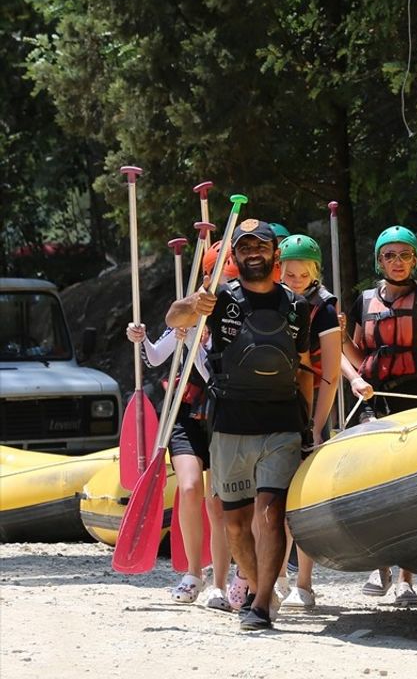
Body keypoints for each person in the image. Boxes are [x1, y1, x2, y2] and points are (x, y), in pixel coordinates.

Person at [166, 218, 313, 630]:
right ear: (235, 256)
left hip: (281, 423)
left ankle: (263, 602)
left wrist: (308, 420)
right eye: (245, 247)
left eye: (261, 246)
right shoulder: (219, 299)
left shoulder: (296, 305)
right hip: (230, 423)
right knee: (234, 524)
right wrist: (193, 303)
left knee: (269, 513)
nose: (253, 253)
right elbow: (173, 319)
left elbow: (301, 366)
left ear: (274, 253)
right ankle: (250, 584)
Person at [341, 225, 417, 607]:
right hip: (378, 398)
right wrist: (352, 369)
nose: (397, 262)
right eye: (389, 255)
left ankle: (405, 576)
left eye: (404, 255)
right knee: (373, 477)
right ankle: (380, 564)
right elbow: (358, 356)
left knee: (410, 483)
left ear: (414, 260)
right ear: (379, 260)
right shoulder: (363, 302)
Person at [124, 321, 233, 610]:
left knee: (217, 503)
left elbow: (216, 373)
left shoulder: (232, 318)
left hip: (223, 416)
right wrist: (141, 337)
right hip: (186, 417)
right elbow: (156, 356)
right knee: (188, 488)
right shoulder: (187, 318)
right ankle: (194, 572)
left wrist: (204, 343)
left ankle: (220, 583)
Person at [275, 234, 342, 610]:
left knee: (301, 499)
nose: (295, 278)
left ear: (314, 271)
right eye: (288, 272)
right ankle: (277, 575)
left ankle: (303, 581)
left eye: (302, 273)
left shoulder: (326, 310)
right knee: (274, 496)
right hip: (274, 404)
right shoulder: (271, 299)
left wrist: (316, 426)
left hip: (311, 406)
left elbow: (330, 374)